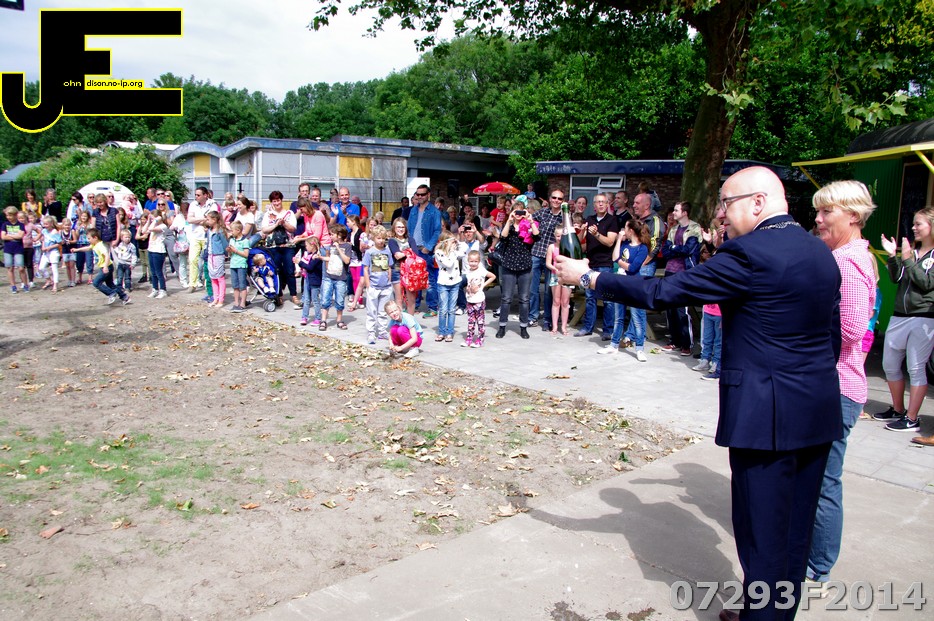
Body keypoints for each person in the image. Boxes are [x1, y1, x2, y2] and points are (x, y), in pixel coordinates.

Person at [555, 166, 843, 621]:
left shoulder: (749, 253)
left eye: (727, 203)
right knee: (794, 534)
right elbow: (831, 338)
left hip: (764, 417)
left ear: (758, 202)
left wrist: (590, 278)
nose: (721, 215)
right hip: (816, 410)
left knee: (762, 537)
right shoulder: (820, 252)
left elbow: (664, 291)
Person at [802, 180, 876, 589]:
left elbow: (849, 329)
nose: (818, 219)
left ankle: (818, 563)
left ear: (853, 215)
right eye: (818, 211)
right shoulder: (849, 256)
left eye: (826, 211)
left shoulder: (847, 261)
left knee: (824, 480)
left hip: (837, 388)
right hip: (837, 386)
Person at [871, 205, 934, 434]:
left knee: (915, 367)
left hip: (923, 317)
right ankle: (898, 409)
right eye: (913, 223)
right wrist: (892, 256)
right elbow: (895, 277)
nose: (913, 227)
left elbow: (926, 283)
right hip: (899, 315)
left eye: (919, 224)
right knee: (889, 364)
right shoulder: (912, 252)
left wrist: (907, 259)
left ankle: (912, 418)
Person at [598, 219, 649, 354]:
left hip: (634, 285)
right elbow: (614, 257)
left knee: (637, 318)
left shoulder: (642, 248)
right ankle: (614, 344)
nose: (623, 230)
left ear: (631, 230)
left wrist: (620, 262)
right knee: (618, 317)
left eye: (625, 228)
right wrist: (619, 240)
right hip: (620, 283)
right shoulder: (625, 245)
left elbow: (633, 268)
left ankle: (639, 348)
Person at [659, 201, 702, 355]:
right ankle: (674, 341)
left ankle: (686, 343)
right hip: (670, 271)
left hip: (684, 272)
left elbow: (688, 249)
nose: (673, 213)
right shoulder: (673, 229)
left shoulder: (694, 228)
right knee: (670, 307)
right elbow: (665, 251)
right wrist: (675, 248)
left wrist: (674, 248)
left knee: (681, 309)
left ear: (684, 212)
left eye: (676, 210)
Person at [575, 193, 619, 338]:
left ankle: (608, 330)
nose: (600, 204)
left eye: (603, 202)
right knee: (590, 298)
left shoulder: (612, 220)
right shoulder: (589, 219)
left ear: (607, 204)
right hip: (591, 263)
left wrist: (596, 234)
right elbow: (580, 241)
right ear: (594, 205)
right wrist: (582, 230)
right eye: (597, 202)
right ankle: (587, 327)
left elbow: (610, 242)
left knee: (607, 299)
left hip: (605, 264)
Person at [495, 200, 539, 339]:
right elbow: (503, 238)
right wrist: (509, 220)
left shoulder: (529, 226)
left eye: (521, 211)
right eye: (516, 211)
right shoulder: (509, 226)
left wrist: (530, 220)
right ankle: (502, 326)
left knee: (524, 299)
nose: (519, 214)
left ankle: (523, 327)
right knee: (506, 298)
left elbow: (537, 236)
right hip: (509, 264)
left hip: (525, 265)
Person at [530, 189, 564, 330]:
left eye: (559, 199)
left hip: (553, 256)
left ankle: (548, 319)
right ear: (550, 199)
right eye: (554, 197)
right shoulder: (543, 212)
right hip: (537, 252)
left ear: (562, 201)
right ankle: (533, 316)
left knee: (549, 290)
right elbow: (529, 218)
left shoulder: (564, 217)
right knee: (533, 288)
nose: (556, 200)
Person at [407, 184, 442, 318]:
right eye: (418, 194)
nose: (420, 196)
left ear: (428, 195)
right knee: (414, 279)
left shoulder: (434, 212)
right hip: (414, 249)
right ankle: (414, 306)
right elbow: (409, 228)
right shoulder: (413, 210)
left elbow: (437, 231)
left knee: (430, 280)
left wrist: (428, 247)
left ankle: (432, 308)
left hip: (425, 249)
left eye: (422, 194)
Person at [260, 190, 299, 306]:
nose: (277, 203)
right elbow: (264, 229)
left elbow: (293, 228)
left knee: (290, 270)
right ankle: (279, 294)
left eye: (278, 200)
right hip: (273, 246)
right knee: (276, 270)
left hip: (288, 245)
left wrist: (284, 223)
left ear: (281, 200)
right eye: (274, 201)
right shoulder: (268, 214)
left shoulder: (289, 213)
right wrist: (276, 224)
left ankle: (294, 295)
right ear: (271, 202)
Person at [74, 228, 130, 306]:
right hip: (106, 266)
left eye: (89, 238)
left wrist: (105, 267)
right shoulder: (94, 245)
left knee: (96, 283)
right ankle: (124, 297)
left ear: (95, 238)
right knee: (110, 284)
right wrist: (77, 250)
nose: (88, 240)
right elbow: (88, 248)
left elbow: (107, 255)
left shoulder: (100, 246)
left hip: (106, 267)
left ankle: (111, 293)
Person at [363, 225, 393, 344]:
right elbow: (365, 269)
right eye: (378, 238)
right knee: (371, 311)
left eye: (383, 238)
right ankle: (371, 332)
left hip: (385, 286)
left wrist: (389, 280)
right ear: (374, 238)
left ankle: (382, 331)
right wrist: (368, 285)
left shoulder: (387, 251)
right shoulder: (369, 252)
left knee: (383, 311)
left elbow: (389, 267)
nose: (381, 241)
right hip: (373, 286)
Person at [319, 225, 352, 331]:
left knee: (340, 300)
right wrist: (320, 257)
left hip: (341, 278)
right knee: (325, 299)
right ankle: (323, 320)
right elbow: (329, 258)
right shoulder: (330, 246)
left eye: (332, 234)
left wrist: (338, 247)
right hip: (329, 276)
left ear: (339, 235)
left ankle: (339, 320)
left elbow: (346, 260)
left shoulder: (347, 246)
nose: (330, 236)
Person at [544, 223, 574, 336]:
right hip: (555, 275)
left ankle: (564, 326)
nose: (559, 238)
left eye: (561, 236)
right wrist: (555, 269)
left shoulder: (569, 246)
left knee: (565, 302)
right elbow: (548, 263)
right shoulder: (552, 247)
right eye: (557, 236)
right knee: (556, 301)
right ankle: (555, 326)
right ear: (554, 236)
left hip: (567, 276)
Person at [434, 231, 463, 343]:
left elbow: (464, 252)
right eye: (452, 241)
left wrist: (458, 242)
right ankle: (441, 332)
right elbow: (448, 264)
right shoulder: (439, 252)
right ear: (446, 242)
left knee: (451, 309)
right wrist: (452, 251)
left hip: (455, 283)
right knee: (443, 309)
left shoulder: (454, 251)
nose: (454, 243)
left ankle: (449, 332)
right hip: (443, 284)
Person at [462, 249, 495, 348]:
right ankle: (469, 338)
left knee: (480, 321)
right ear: (468, 261)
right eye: (471, 261)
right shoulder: (468, 271)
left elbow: (492, 276)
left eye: (475, 261)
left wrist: (483, 285)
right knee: (471, 321)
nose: (473, 263)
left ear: (479, 261)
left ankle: (480, 340)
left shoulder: (481, 270)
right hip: (470, 299)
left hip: (479, 300)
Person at [296, 236, 323, 325]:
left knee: (315, 300)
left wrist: (299, 262)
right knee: (306, 300)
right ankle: (304, 317)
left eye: (307, 245)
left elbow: (310, 267)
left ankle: (318, 318)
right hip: (308, 278)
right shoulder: (310, 255)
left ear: (312, 245)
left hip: (315, 280)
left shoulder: (317, 256)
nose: (306, 247)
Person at [227, 221, 252, 313]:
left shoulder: (245, 241)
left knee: (242, 285)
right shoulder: (232, 240)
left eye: (232, 230)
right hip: (233, 264)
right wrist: (229, 251)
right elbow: (230, 254)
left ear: (238, 230)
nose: (231, 232)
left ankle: (242, 304)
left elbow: (246, 254)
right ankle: (236, 303)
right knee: (235, 285)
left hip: (241, 265)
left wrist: (235, 250)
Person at [205, 210, 228, 308]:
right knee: (213, 277)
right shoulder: (209, 231)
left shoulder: (220, 231)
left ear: (214, 220)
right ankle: (215, 298)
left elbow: (225, 244)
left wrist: (226, 254)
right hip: (210, 255)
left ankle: (221, 300)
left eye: (208, 219)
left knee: (220, 277)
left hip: (218, 255)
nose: (207, 221)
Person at [2, 206, 27, 294]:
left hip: (18, 248)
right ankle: (13, 286)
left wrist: (9, 236)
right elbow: (3, 236)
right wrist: (14, 236)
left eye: (10, 215)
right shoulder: (5, 225)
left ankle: (25, 284)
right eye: (7, 215)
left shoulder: (21, 225)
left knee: (21, 268)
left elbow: (20, 236)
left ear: (15, 215)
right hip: (8, 249)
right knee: (10, 268)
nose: (8, 217)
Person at [111, 228, 137, 293]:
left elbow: (134, 255)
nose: (127, 239)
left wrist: (133, 264)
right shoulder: (121, 244)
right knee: (119, 276)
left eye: (129, 237)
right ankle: (119, 287)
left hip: (128, 264)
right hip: (121, 263)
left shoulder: (132, 246)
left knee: (127, 277)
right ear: (122, 238)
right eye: (126, 237)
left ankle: (127, 287)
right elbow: (119, 251)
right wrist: (115, 248)